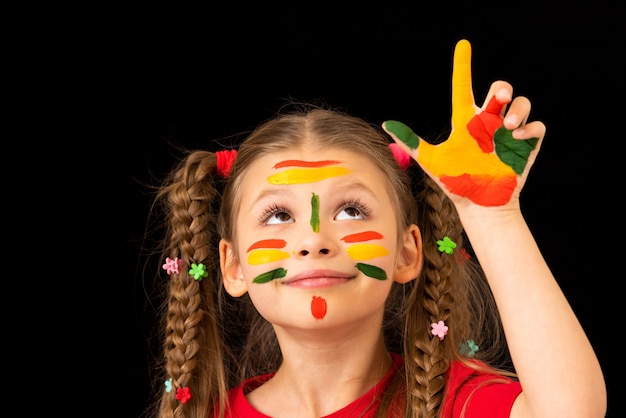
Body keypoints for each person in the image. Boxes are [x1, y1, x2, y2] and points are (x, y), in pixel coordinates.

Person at [142, 39, 606, 418]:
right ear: (234, 266)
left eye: (351, 210)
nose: (314, 241)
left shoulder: (460, 404)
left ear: (407, 253)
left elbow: (571, 410)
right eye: (278, 216)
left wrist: (492, 217)